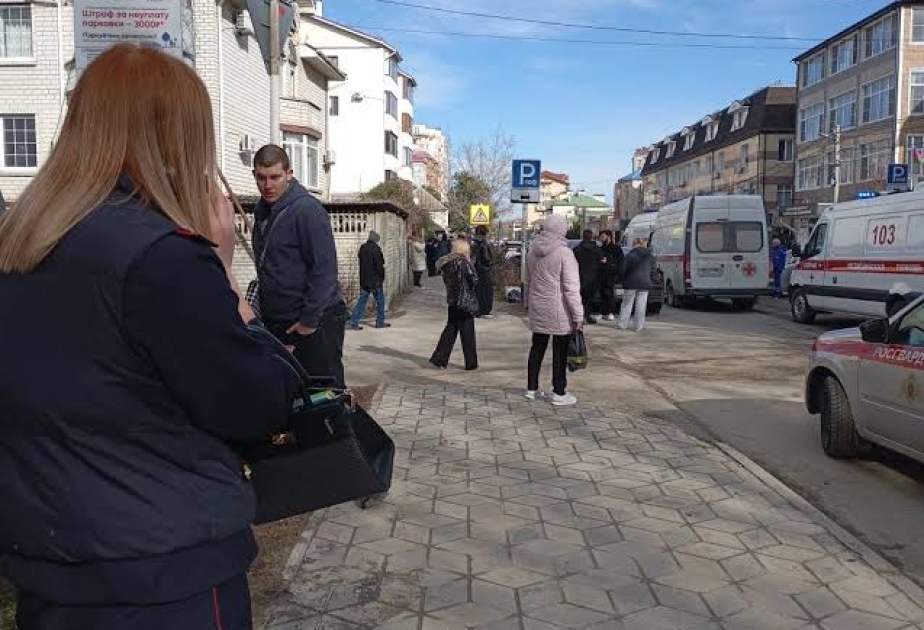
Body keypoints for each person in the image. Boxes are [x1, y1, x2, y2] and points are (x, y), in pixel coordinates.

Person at [0, 45, 300, 630]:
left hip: (49, 561)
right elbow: (259, 402)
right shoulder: (158, 259)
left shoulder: (19, 246)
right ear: (180, 141)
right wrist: (223, 275)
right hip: (162, 571)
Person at [252, 144, 348, 387]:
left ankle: (344, 427)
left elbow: (325, 270)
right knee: (293, 398)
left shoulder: (307, 210)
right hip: (281, 322)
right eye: (261, 178)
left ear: (289, 174)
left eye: (275, 177)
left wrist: (308, 320)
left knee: (327, 397)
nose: (268, 185)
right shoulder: (262, 211)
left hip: (315, 320)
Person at [525, 215, 584, 406]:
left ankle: (531, 388)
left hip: (538, 307)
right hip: (559, 310)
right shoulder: (564, 254)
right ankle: (559, 392)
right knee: (560, 351)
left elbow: (528, 281)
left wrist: (528, 305)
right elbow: (571, 288)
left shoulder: (531, 252)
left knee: (537, 347)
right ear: (562, 231)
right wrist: (578, 315)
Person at [430, 239, 479, 371]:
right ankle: (471, 363)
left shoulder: (447, 263)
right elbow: (474, 280)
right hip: (464, 301)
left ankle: (439, 359)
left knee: (450, 330)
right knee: (468, 333)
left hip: (453, 300)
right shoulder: (464, 263)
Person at [347, 231, 389, 330]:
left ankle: (354, 323)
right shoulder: (376, 249)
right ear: (375, 240)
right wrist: (382, 276)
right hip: (375, 281)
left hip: (364, 281)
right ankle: (380, 322)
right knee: (380, 301)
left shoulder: (362, 248)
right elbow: (379, 265)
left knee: (361, 302)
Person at [619, 239, 655, 332]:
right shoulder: (650, 256)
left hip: (631, 283)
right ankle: (638, 326)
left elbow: (622, 269)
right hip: (645, 283)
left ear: (635, 244)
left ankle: (622, 324)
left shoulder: (630, 255)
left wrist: (622, 279)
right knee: (641, 305)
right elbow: (653, 271)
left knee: (627, 304)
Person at [572, 229, 604, 324]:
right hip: (594, 278)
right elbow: (602, 260)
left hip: (579, 277)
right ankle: (587, 315)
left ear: (583, 236)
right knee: (589, 299)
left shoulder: (577, 249)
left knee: (580, 298)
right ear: (591, 236)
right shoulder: (597, 249)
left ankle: (582, 316)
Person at [599, 230, 625, 322]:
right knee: (603, 294)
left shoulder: (616, 248)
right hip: (602, 275)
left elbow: (621, 262)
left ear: (609, 237)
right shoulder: (601, 248)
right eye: (601, 237)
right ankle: (604, 313)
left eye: (603, 236)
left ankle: (611, 312)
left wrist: (609, 262)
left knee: (610, 294)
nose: (601, 239)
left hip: (612, 275)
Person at [471, 225, 496, 318]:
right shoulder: (483, 242)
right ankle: (485, 311)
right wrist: (491, 264)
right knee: (486, 292)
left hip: (475, 269)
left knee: (477, 291)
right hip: (484, 270)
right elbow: (486, 258)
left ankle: (477, 310)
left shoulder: (473, 242)